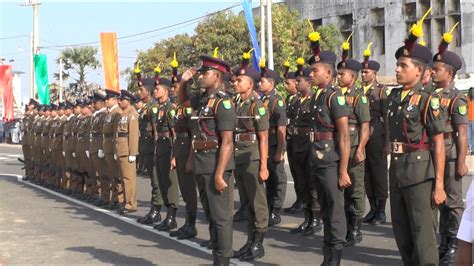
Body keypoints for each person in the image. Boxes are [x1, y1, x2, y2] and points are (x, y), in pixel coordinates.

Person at [388, 23, 447, 265]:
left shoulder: (427, 100)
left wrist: (440, 185)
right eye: (398, 65)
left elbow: (439, 143)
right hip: (397, 170)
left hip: (420, 173)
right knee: (402, 233)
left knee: (423, 236)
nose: (398, 69)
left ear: (419, 71)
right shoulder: (393, 97)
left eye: (404, 66)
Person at [178, 53, 236, 265]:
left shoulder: (224, 103)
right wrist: (184, 82)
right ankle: (217, 259)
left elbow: (227, 142)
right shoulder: (202, 100)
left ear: (218, 76)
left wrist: (220, 174)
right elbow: (182, 102)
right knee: (211, 215)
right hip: (202, 163)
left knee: (221, 218)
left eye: (205, 73)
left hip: (216, 164)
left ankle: (224, 261)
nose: (201, 76)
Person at [307, 30, 351, 265]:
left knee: (334, 210)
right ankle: (327, 255)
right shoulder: (317, 96)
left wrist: (343, 170)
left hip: (332, 160)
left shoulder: (335, 97)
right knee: (324, 208)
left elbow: (343, 136)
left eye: (315, 70)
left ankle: (335, 256)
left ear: (328, 72)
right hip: (318, 158)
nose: (311, 74)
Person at [431, 29, 469, 264]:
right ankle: (443, 243)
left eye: (438, 69)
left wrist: (463, 160)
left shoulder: (457, 98)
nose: (433, 72)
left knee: (453, 203)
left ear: (450, 73)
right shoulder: (430, 94)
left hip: (450, 153)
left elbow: (462, 132)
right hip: (433, 153)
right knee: (439, 200)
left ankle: (453, 244)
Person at [231, 66, 269, 261]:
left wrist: (263, 165)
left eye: (240, 80)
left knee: (257, 201)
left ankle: (258, 243)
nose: (236, 83)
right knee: (246, 201)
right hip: (240, 156)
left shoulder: (257, 105)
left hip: (253, 157)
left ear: (250, 84)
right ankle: (250, 240)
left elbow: (263, 138)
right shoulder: (238, 103)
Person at [336, 52, 370, 247]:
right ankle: (346, 225)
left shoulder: (359, 98)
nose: (339, 77)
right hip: (340, 148)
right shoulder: (335, 95)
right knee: (342, 189)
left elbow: (365, 125)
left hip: (354, 146)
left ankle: (356, 229)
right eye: (338, 74)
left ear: (353, 77)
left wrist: (361, 148)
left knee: (356, 189)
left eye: (343, 74)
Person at [359, 43, 390, 225]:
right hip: (363, 136)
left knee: (378, 173)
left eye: (367, 72)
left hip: (376, 134)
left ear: (374, 74)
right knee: (366, 174)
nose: (364, 75)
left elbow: (386, 117)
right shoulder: (357, 92)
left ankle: (381, 210)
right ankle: (372, 208)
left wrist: (387, 141)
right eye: (362, 72)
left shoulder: (380, 91)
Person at [289, 67, 321, 236]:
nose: (296, 83)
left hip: (309, 144)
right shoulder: (295, 101)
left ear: (308, 82)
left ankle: (316, 219)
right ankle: (307, 218)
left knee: (311, 183)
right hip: (297, 143)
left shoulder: (315, 100)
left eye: (299, 81)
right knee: (301, 182)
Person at [259, 61, 287, 227]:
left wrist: (280, 150)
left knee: (278, 178)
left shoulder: (277, 101)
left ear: (271, 83)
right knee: (268, 178)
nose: (259, 83)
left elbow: (282, 127)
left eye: (263, 81)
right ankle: (269, 207)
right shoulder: (263, 99)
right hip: (265, 144)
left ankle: (276, 209)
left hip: (274, 143)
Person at [151, 76, 180, 231]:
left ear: (166, 91)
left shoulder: (170, 108)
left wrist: (175, 155)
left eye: (158, 89)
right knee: (162, 181)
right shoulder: (160, 108)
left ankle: (172, 217)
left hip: (169, 147)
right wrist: (156, 150)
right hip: (161, 147)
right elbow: (157, 132)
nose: (155, 91)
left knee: (170, 183)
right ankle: (167, 214)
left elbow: (174, 133)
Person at [136, 76, 163, 225]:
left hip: (152, 146)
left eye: (142, 90)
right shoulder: (146, 107)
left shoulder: (153, 107)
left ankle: (156, 211)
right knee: (153, 181)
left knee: (156, 181)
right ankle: (154, 210)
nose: (139, 92)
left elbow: (155, 130)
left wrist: (155, 150)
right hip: (145, 146)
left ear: (149, 91)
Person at [284, 60, 304, 214]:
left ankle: (304, 201)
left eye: (289, 83)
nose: (289, 86)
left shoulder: (300, 99)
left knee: (303, 174)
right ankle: (299, 199)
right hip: (292, 139)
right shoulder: (290, 99)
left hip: (301, 140)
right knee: (296, 172)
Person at [115, 90, 139, 214]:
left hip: (127, 150)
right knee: (122, 178)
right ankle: (124, 201)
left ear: (128, 101)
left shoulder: (132, 114)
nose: (119, 101)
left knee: (128, 178)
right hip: (121, 149)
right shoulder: (122, 114)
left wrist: (133, 153)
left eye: (121, 99)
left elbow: (133, 135)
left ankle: (131, 203)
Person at [102, 90, 123, 209]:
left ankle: (119, 199)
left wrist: (116, 149)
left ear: (114, 100)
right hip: (107, 146)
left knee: (117, 175)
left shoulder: (117, 113)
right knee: (112, 174)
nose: (106, 101)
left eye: (108, 99)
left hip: (113, 145)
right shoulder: (109, 113)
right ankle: (114, 198)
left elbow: (116, 132)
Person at [89, 92, 107, 205]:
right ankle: (99, 195)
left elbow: (103, 133)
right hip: (94, 146)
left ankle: (105, 197)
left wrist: (101, 147)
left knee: (103, 174)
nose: (93, 105)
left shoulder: (104, 115)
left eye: (94, 102)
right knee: (97, 173)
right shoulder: (97, 115)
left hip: (99, 146)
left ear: (100, 103)